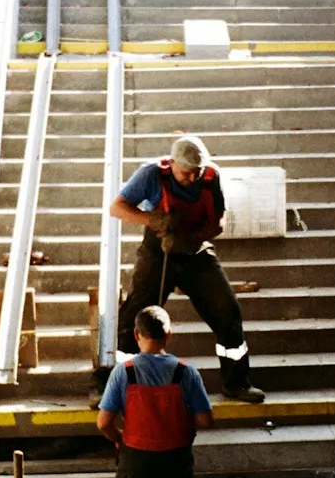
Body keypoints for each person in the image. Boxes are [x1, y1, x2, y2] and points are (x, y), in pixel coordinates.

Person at [106, 134, 266, 403]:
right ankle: (115, 384)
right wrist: (155, 219)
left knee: (227, 311)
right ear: (172, 164)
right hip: (159, 250)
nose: (192, 179)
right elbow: (117, 208)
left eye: (196, 173)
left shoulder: (211, 178)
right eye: (185, 174)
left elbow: (218, 223)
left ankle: (236, 382)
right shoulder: (151, 174)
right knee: (137, 313)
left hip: (195, 250)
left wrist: (193, 239)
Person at [97, 306, 214, 478]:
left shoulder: (123, 372)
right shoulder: (186, 372)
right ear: (168, 334)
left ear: (136, 334)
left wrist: (119, 438)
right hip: (175, 474)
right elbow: (205, 420)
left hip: (135, 474)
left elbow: (103, 423)